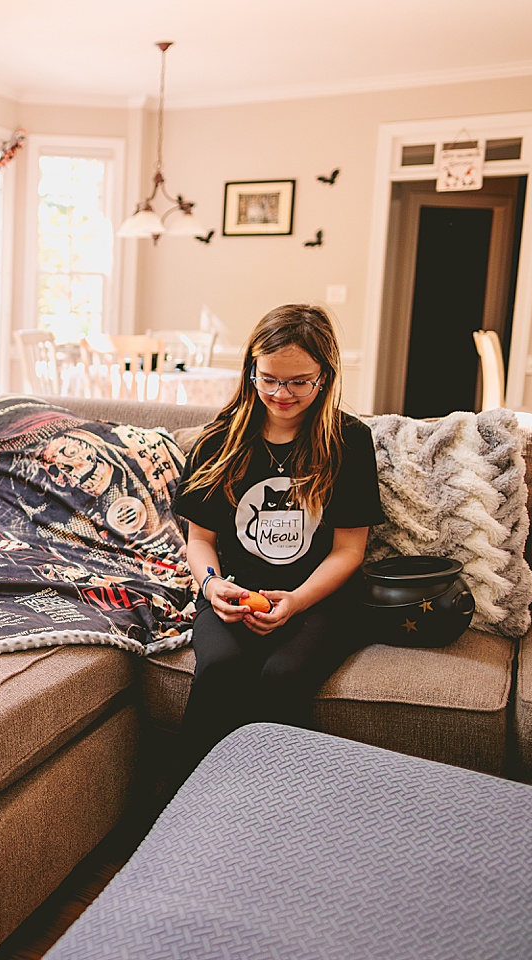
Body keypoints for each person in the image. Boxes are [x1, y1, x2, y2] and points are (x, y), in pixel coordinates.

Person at [173, 304, 384, 771]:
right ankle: (186, 805)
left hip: (321, 599)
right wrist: (211, 586)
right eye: (267, 379)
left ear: (324, 377)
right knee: (221, 669)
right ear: (251, 370)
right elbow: (201, 539)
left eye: (297, 382)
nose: (281, 393)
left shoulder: (349, 442)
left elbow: (350, 550)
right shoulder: (219, 442)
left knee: (282, 675)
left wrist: (297, 601)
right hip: (235, 591)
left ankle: (275, 804)